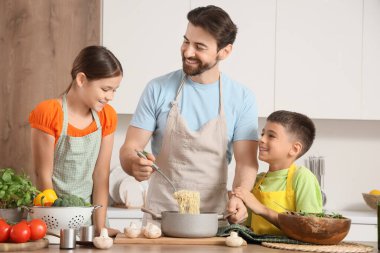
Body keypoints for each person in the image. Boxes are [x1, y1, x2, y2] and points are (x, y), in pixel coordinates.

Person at [119, 5, 259, 225]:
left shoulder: (242, 98)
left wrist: (240, 197)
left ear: (225, 51)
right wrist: (132, 163)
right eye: (186, 41)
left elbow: (247, 162)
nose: (187, 51)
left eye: (199, 47)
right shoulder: (158, 88)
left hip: (214, 220)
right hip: (161, 219)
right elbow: (130, 148)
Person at [29, 45, 123, 236]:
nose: (110, 97)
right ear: (81, 79)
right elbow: (43, 175)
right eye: (106, 89)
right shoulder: (49, 113)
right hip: (52, 221)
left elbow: (101, 175)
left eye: (115, 90)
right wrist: (58, 224)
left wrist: (100, 227)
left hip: (90, 219)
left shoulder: (107, 117)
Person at [233, 110, 323, 235]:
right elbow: (247, 228)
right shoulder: (256, 180)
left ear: (294, 149)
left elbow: (310, 228)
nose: (262, 139)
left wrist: (262, 209)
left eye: (271, 136)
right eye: (262, 133)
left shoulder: (302, 178)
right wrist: (235, 214)